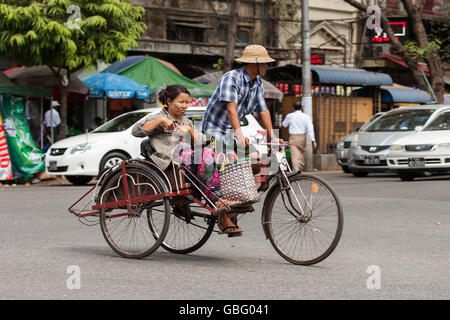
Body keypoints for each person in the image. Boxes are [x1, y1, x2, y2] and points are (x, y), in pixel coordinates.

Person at [132, 85, 244, 236]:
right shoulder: (158, 117)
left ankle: (229, 203)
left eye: (187, 102)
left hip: (190, 160)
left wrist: (189, 130)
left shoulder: (186, 121)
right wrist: (161, 121)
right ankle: (216, 199)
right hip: (170, 160)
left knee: (223, 155)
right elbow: (136, 130)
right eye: (181, 102)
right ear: (169, 101)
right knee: (205, 153)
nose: (184, 106)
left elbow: (201, 141)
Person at [201, 44, 282, 161]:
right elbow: (231, 109)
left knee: (256, 160)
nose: (267, 66)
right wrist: (240, 136)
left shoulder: (258, 82)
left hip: (231, 133)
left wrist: (273, 137)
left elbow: (263, 110)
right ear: (255, 63)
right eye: (264, 63)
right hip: (215, 131)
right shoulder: (231, 78)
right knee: (230, 164)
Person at [282, 101, 317, 171]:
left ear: (293, 108)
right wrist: (313, 140)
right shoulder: (306, 117)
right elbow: (310, 128)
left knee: (294, 155)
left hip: (293, 137)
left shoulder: (290, 116)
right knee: (301, 155)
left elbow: (284, 124)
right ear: (301, 108)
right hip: (302, 138)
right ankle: (298, 169)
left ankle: (296, 171)